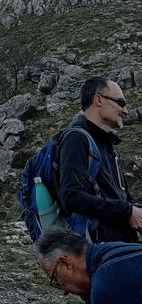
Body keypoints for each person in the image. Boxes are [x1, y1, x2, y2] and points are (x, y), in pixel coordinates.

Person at [59, 77, 142, 243]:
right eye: (121, 103)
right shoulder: (76, 138)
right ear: (99, 100)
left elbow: (123, 199)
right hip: (100, 248)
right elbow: (71, 197)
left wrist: (134, 210)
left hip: (122, 244)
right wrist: (127, 212)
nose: (125, 111)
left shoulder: (110, 147)